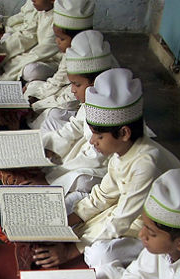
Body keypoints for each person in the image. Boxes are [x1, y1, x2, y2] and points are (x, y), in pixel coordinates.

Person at [33, 68, 180, 269]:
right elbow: (103, 196)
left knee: (99, 254)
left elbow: (123, 219)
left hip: (156, 230)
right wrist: (64, 223)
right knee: (75, 216)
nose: (92, 141)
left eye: (99, 136)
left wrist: (71, 250)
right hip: (126, 211)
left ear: (124, 133)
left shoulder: (146, 163)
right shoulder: (122, 152)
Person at [23, 30, 112, 215]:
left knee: (82, 180)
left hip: (103, 164)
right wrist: (43, 147)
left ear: (95, 83)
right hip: (87, 152)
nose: (72, 90)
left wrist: (51, 178)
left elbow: (96, 156)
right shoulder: (92, 99)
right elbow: (75, 126)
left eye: (77, 85)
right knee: (54, 122)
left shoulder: (109, 109)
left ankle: (54, 182)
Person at [24, 0, 95, 129]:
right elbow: (59, 80)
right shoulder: (71, 52)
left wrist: (37, 104)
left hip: (76, 102)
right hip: (67, 92)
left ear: (76, 38)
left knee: (53, 114)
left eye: (62, 39)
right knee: (33, 86)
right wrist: (35, 94)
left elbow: (70, 99)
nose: (57, 42)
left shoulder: (89, 60)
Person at [0, 0, 61, 82]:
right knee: (8, 40)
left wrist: (4, 77)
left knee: (31, 71)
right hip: (38, 52)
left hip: (53, 60)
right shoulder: (42, 10)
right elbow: (29, 35)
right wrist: (1, 55)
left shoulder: (59, 20)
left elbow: (41, 53)